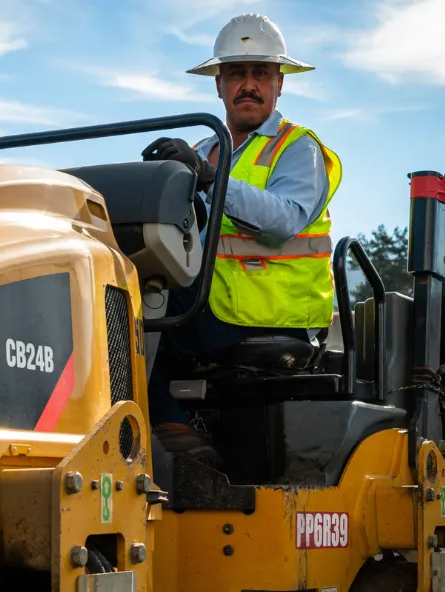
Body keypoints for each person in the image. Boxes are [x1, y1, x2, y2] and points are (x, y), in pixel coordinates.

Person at [140, 13, 343, 465]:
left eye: (260, 73)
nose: (248, 85)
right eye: (236, 73)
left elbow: (283, 219)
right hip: (215, 305)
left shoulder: (297, 148)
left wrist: (211, 178)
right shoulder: (200, 152)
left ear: (279, 84)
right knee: (122, 295)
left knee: (141, 317)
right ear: (219, 85)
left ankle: (173, 430)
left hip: (274, 313)